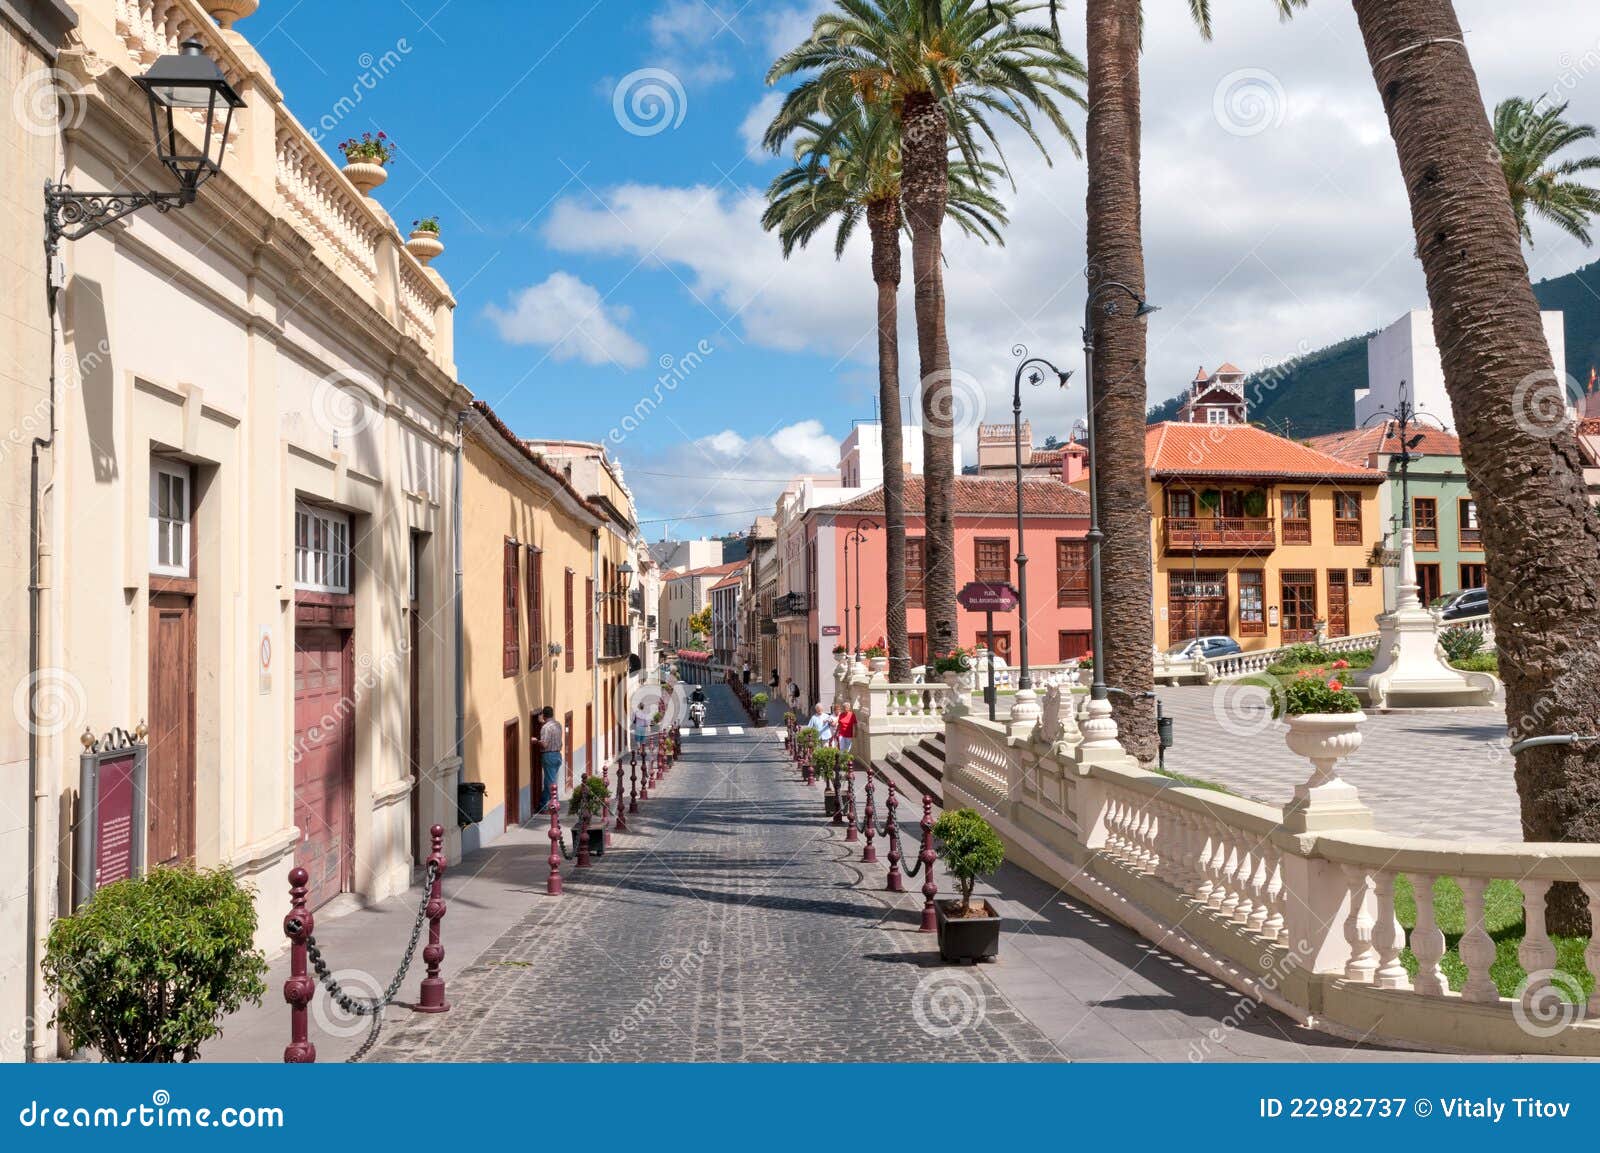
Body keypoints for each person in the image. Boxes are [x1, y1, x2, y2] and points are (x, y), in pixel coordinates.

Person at [537, 707, 564, 812]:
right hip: (557, 755)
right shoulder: (558, 725)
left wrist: (536, 741)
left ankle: (553, 805)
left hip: (549, 756)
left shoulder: (545, 728)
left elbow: (544, 744)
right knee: (550, 780)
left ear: (543, 715)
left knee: (550, 783)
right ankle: (543, 804)